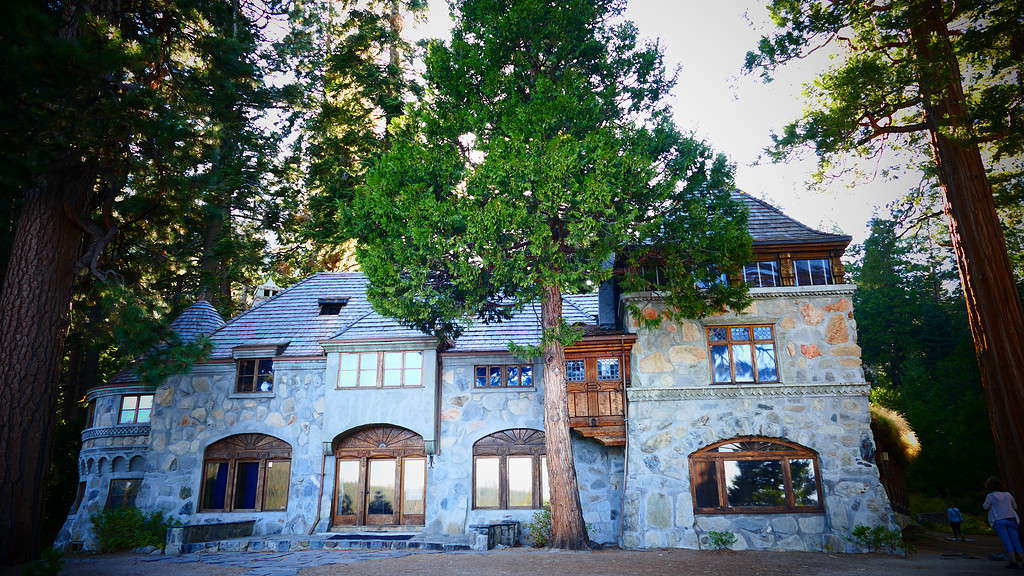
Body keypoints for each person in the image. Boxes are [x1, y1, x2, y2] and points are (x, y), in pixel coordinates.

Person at [984, 477, 1023, 569]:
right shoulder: (1008, 495)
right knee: (1016, 542)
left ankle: (1013, 562)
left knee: (1007, 542)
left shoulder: (990, 496)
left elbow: (985, 507)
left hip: (999, 521)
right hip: (1011, 519)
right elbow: (1015, 506)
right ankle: (1023, 560)